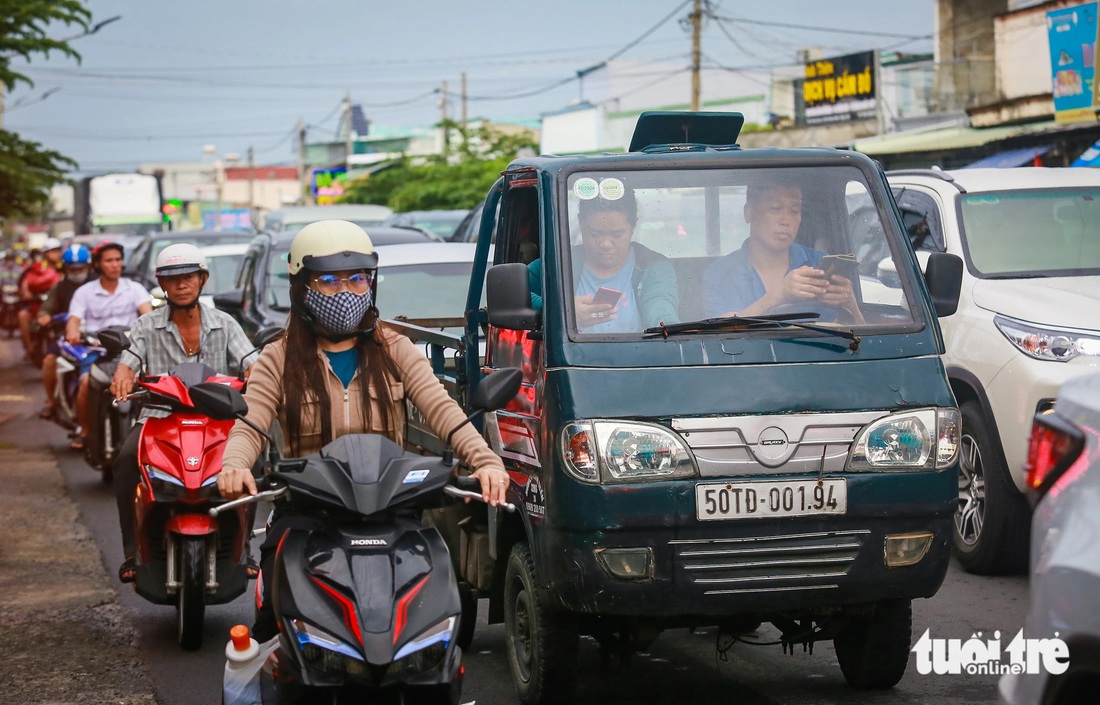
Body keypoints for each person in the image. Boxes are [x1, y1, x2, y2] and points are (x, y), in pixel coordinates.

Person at [215, 219, 511, 641]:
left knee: (435, 626)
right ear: (302, 287)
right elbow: (250, 425)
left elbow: (444, 411)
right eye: (329, 280)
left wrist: (486, 463)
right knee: (270, 626)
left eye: (357, 279)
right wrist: (234, 465)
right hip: (308, 515)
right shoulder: (278, 358)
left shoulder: (395, 348)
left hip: (392, 511)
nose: (346, 292)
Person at [109, 243, 258, 583]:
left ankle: (244, 546)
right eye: (172, 279)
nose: (180, 285)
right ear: (162, 284)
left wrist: (256, 373)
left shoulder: (226, 323)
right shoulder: (146, 325)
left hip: (218, 419)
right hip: (159, 417)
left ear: (202, 280)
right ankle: (132, 551)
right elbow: (128, 361)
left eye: (188, 277)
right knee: (126, 459)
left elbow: (252, 362)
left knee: (254, 462)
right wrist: (122, 375)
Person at [702, 180, 864, 322]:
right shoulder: (720, 273)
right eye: (775, 208)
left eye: (794, 211)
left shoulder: (820, 264)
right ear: (749, 213)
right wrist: (777, 296)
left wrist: (850, 303)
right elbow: (720, 337)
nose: (786, 221)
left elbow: (860, 341)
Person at [528, 183, 679, 331]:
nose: (605, 244)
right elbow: (508, 294)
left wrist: (666, 325)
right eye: (595, 234)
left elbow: (660, 303)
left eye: (617, 234)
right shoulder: (558, 264)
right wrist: (560, 310)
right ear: (581, 224)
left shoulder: (652, 266)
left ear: (633, 227)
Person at [65, 241, 152, 451]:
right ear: (97, 265)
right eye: (109, 260)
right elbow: (73, 321)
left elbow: (149, 317)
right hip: (97, 353)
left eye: (118, 260)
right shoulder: (84, 292)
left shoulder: (135, 289)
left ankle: (150, 433)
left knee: (152, 385)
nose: (114, 265)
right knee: (85, 383)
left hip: (130, 353)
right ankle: (86, 431)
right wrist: (73, 332)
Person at [37, 244, 93, 420]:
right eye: (73, 269)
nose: (77, 272)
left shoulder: (98, 284)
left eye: (81, 268)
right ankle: (51, 402)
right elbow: (45, 311)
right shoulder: (59, 288)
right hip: (67, 338)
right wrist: (45, 316)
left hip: (96, 337)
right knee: (49, 360)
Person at [18, 237, 63, 360]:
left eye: (58, 251)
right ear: (45, 254)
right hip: (38, 304)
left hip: (58, 306)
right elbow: (26, 281)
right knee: (23, 315)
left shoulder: (64, 268)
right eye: (52, 251)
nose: (56, 254)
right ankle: (29, 348)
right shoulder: (37, 268)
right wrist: (26, 293)